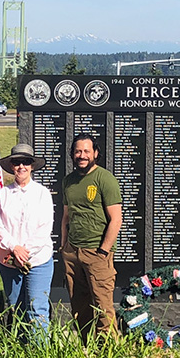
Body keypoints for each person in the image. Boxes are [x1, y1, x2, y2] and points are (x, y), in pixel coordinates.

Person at [60, 133, 122, 339]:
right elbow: (66, 216)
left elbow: (116, 218)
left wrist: (104, 250)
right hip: (72, 252)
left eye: (87, 151)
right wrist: (64, 246)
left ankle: (110, 348)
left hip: (97, 252)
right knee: (79, 305)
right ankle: (87, 345)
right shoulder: (68, 181)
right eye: (78, 151)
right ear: (72, 154)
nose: (82, 155)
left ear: (95, 153)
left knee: (103, 305)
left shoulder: (105, 179)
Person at [0, 144, 54, 335]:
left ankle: (39, 351)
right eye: (17, 162)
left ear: (32, 166)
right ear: (11, 166)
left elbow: (44, 228)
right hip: (9, 262)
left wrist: (25, 252)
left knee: (37, 310)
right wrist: (14, 248)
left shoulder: (42, 193)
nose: (21, 166)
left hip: (38, 261)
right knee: (16, 310)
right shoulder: (2, 194)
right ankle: (19, 350)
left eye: (25, 162)